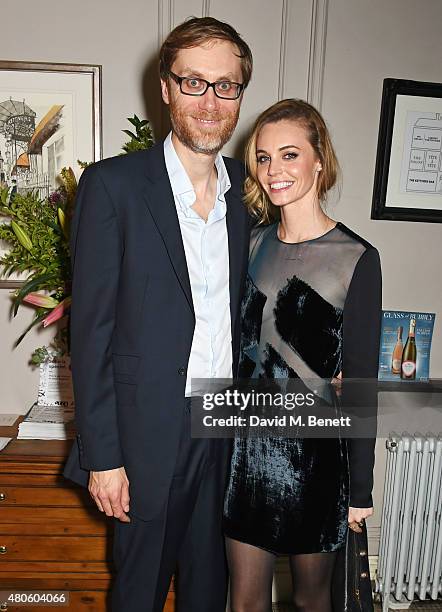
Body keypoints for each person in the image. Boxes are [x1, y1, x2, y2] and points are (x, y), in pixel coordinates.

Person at [63, 17, 252, 612]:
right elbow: (90, 333)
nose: (210, 101)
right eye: (193, 82)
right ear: (165, 88)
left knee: (209, 589)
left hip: (225, 426)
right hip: (145, 435)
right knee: (139, 592)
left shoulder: (249, 197)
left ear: (240, 96)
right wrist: (104, 456)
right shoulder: (113, 186)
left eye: (226, 86)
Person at [223, 98, 382, 612]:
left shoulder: (357, 258)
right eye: (264, 158)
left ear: (319, 161)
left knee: (313, 600)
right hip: (245, 453)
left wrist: (361, 487)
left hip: (315, 458)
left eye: (289, 155)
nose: (275, 171)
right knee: (245, 600)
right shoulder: (250, 244)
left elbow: (360, 382)